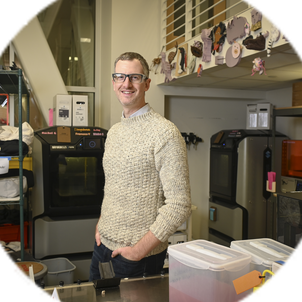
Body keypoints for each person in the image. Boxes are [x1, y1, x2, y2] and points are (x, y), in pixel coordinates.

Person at [89, 52, 191, 281]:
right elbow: (113, 188)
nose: (126, 83)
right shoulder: (114, 132)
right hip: (102, 247)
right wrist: (100, 225)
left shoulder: (165, 133)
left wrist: (138, 251)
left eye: (134, 77)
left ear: (146, 83)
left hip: (137, 258)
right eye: (120, 77)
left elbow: (179, 205)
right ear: (114, 82)